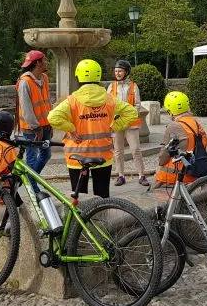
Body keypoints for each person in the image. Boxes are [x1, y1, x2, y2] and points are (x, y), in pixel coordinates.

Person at [48, 59, 138, 198]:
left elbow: (53, 117)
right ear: (98, 76)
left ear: (78, 76)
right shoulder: (109, 99)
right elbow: (132, 113)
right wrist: (114, 126)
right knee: (102, 197)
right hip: (103, 155)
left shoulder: (72, 100)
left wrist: (71, 128)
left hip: (77, 156)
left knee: (80, 198)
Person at [154, 91, 207, 188]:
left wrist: (159, 166)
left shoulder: (173, 126)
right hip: (195, 172)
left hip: (176, 175)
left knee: (157, 176)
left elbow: (164, 154)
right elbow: (204, 143)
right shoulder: (195, 123)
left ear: (170, 111)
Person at [108, 59, 147, 187]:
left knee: (136, 149)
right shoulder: (111, 86)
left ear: (126, 72)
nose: (117, 73)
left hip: (131, 123)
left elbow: (137, 104)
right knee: (118, 151)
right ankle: (120, 176)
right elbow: (107, 104)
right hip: (117, 123)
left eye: (120, 71)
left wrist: (129, 117)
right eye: (116, 71)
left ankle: (141, 175)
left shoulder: (133, 86)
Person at [16, 50, 53, 174]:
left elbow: (47, 102)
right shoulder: (25, 82)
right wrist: (36, 128)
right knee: (31, 158)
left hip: (46, 125)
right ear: (38, 63)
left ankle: (31, 180)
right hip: (32, 129)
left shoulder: (44, 78)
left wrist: (50, 123)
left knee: (46, 155)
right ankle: (34, 190)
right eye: (44, 60)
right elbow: (27, 110)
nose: (46, 62)